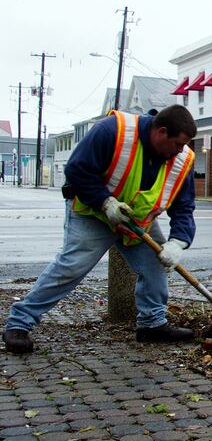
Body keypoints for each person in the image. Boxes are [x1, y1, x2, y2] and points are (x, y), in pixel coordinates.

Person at [2, 105, 198, 354]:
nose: (181, 151)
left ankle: (152, 324)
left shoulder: (182, 160)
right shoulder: (113, 131)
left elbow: (184, 206)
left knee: (156, 265)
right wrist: (105, 202)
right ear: (161, 131)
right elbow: (76, 169)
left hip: (136, 222)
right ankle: (19, 324)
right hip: (93, 212)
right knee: (71, 267)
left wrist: (178, 241)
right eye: (178, 144)